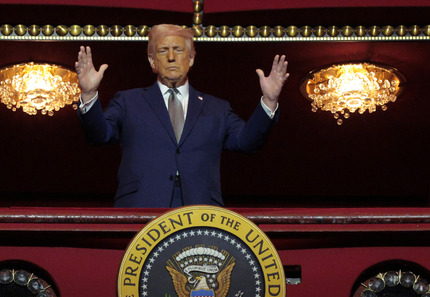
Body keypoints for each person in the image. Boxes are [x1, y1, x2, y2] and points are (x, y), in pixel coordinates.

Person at [75, 24, 289, 208]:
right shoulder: (128, 101)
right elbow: (99, 135)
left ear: (192, 58)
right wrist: (89, 94)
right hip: (142, 207)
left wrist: (269, 101)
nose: (170, 57)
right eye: (162, 51)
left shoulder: (217, 108)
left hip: (200, 210)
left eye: (178, 50)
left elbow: (247, 142)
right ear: (152, 61)